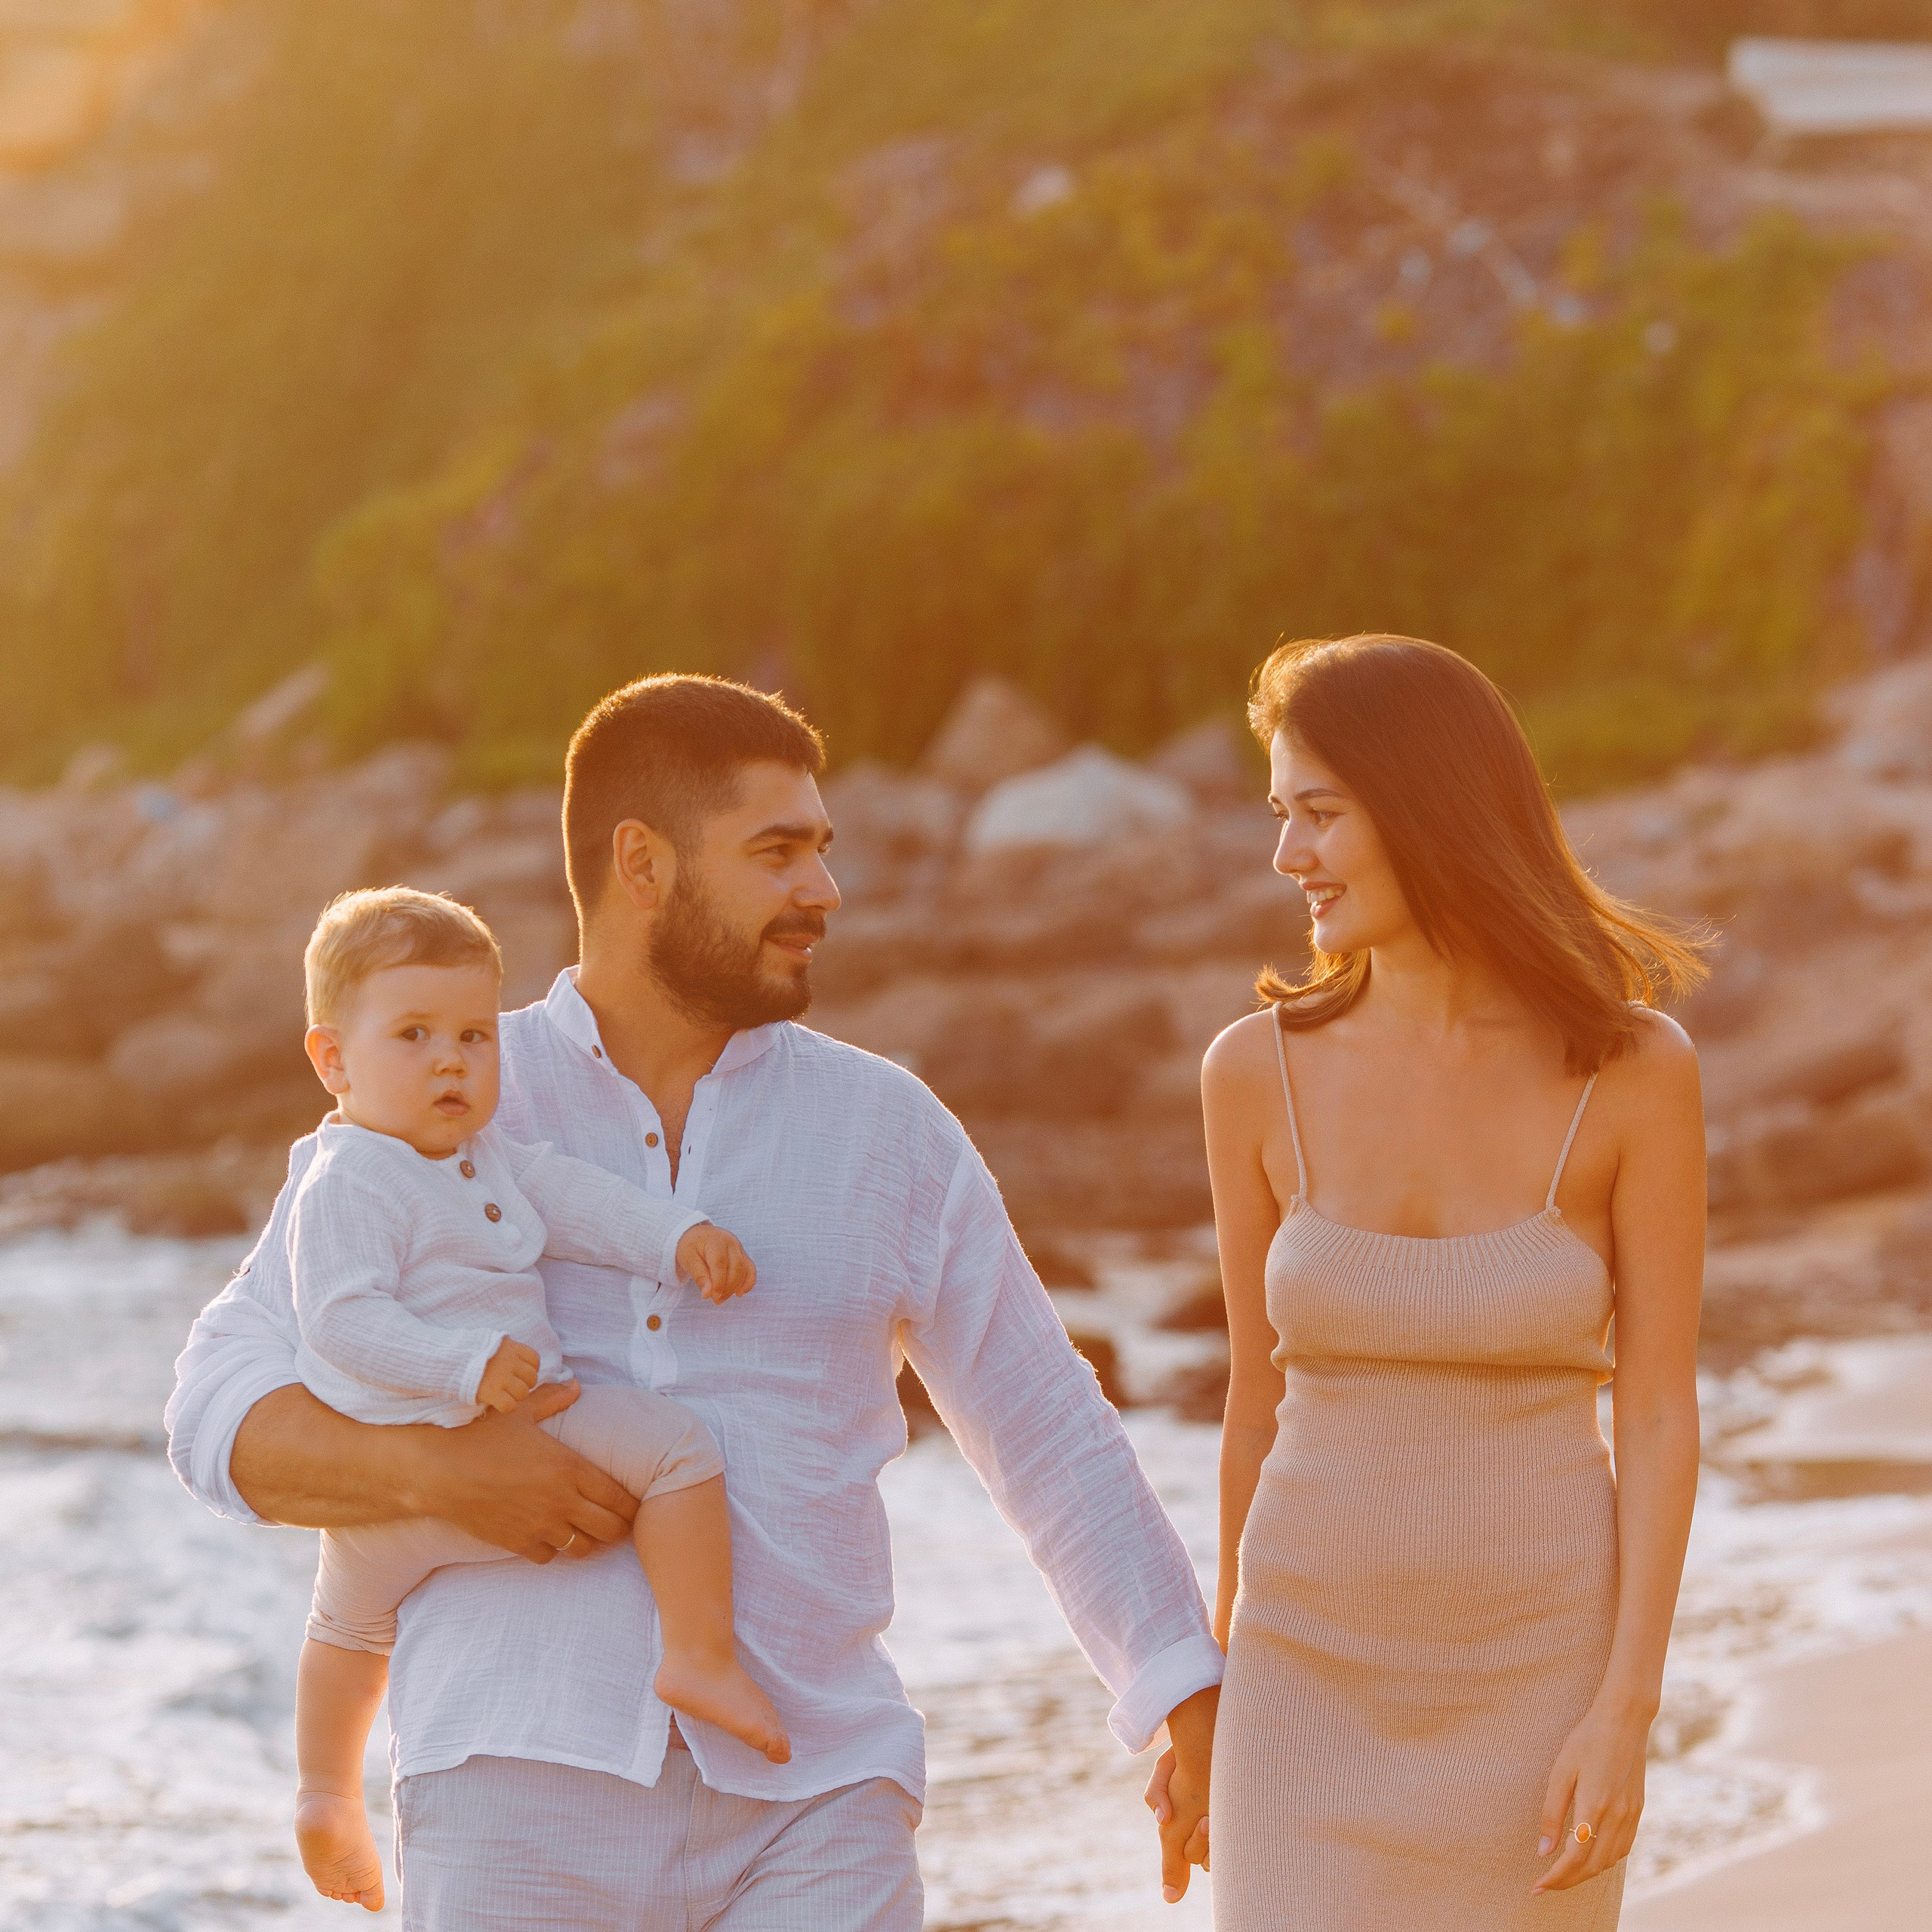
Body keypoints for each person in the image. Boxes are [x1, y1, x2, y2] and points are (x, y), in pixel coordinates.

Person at [166, 674, 1222, 1930]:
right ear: (642, 864)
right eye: (777, 853)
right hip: (512, 1783)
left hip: (818, 1791)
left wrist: (1185, 1696)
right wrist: (439, 1478)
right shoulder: (429, 1100)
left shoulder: (888, 1132)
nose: (823, 891)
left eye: (821, 852)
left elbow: (1044, 1423)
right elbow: (217, 1418)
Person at [1151, 635, 1706, 1927]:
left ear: (1427, 808)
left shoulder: (1631, 1071)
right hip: (1301, 1684)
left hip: (1540, 1686)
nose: (1288, 856)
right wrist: (1213, 1694)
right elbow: (1252, 1405)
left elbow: (1664, 1409)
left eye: (1321, 815)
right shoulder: (1253, 1071)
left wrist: (1627, 1707)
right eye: (1281, 814)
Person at [284, 886, 786, 1913]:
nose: (452, 1061)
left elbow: (580, 1203)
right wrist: (464, 1365)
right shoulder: (345, 1182)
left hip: (465, 1466)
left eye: (474, 1034)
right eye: (413, 1035)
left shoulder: (490, 1161)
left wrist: (675, 1236)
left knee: (346, 1628)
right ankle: (697, 1655)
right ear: (333, 1061)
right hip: (455, 1445)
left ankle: (328, 1790)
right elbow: (338, 1321)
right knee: (680, 1454)